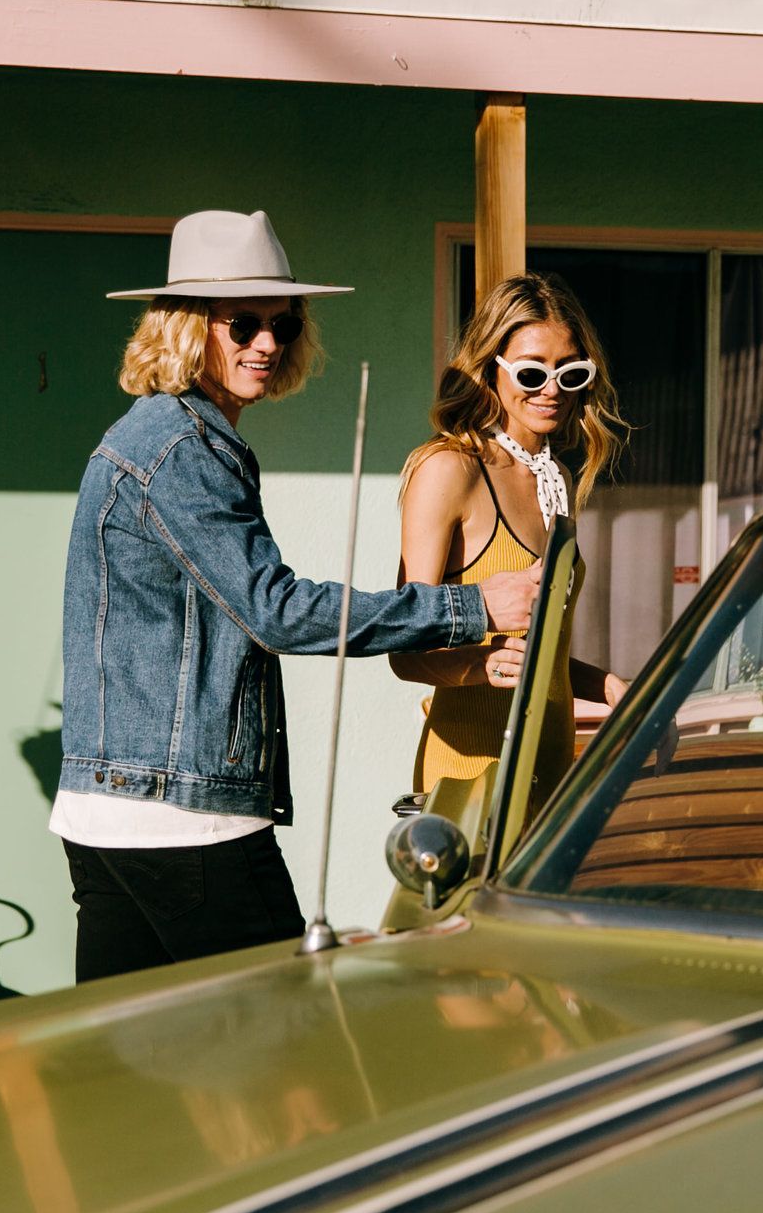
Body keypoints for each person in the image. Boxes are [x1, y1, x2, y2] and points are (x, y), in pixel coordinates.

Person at [54, 210, 539, 983]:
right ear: (186, 326)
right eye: (243, 322)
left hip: (113, 810)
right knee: (291, 1041)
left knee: (129, 1068)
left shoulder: (161, 435)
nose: (268, 342)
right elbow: (277, 610)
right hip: (184, 818)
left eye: (284, 322)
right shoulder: (181, 449)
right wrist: (475, 606)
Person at [392, 272, 630, 814]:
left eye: (569, 372)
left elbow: (537, 656)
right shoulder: (450, 469)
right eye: (530, 371)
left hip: (549, 770)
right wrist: (482, 666)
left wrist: (611, 685)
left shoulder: (556, 481)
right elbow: (404, 651)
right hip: (470, 778)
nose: (551, 389)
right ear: (489, 372)